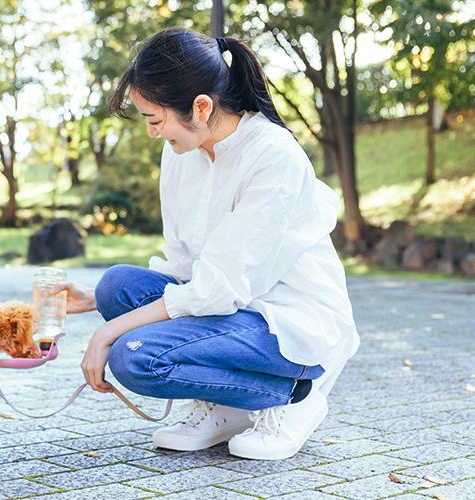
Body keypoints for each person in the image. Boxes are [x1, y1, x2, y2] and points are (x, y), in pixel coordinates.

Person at [52, 28, 359, 460]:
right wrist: (93, 303)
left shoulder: (273, 155)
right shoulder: (182, 153)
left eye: (155, 120)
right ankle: (227, 406)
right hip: (230, 314)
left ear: (200, 107)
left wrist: (108, 332)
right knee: (114, 286)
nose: (153, 134)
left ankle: (294, 395)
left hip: (287, 325)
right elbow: (185, 268)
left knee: (134, 357)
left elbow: (217, 288)